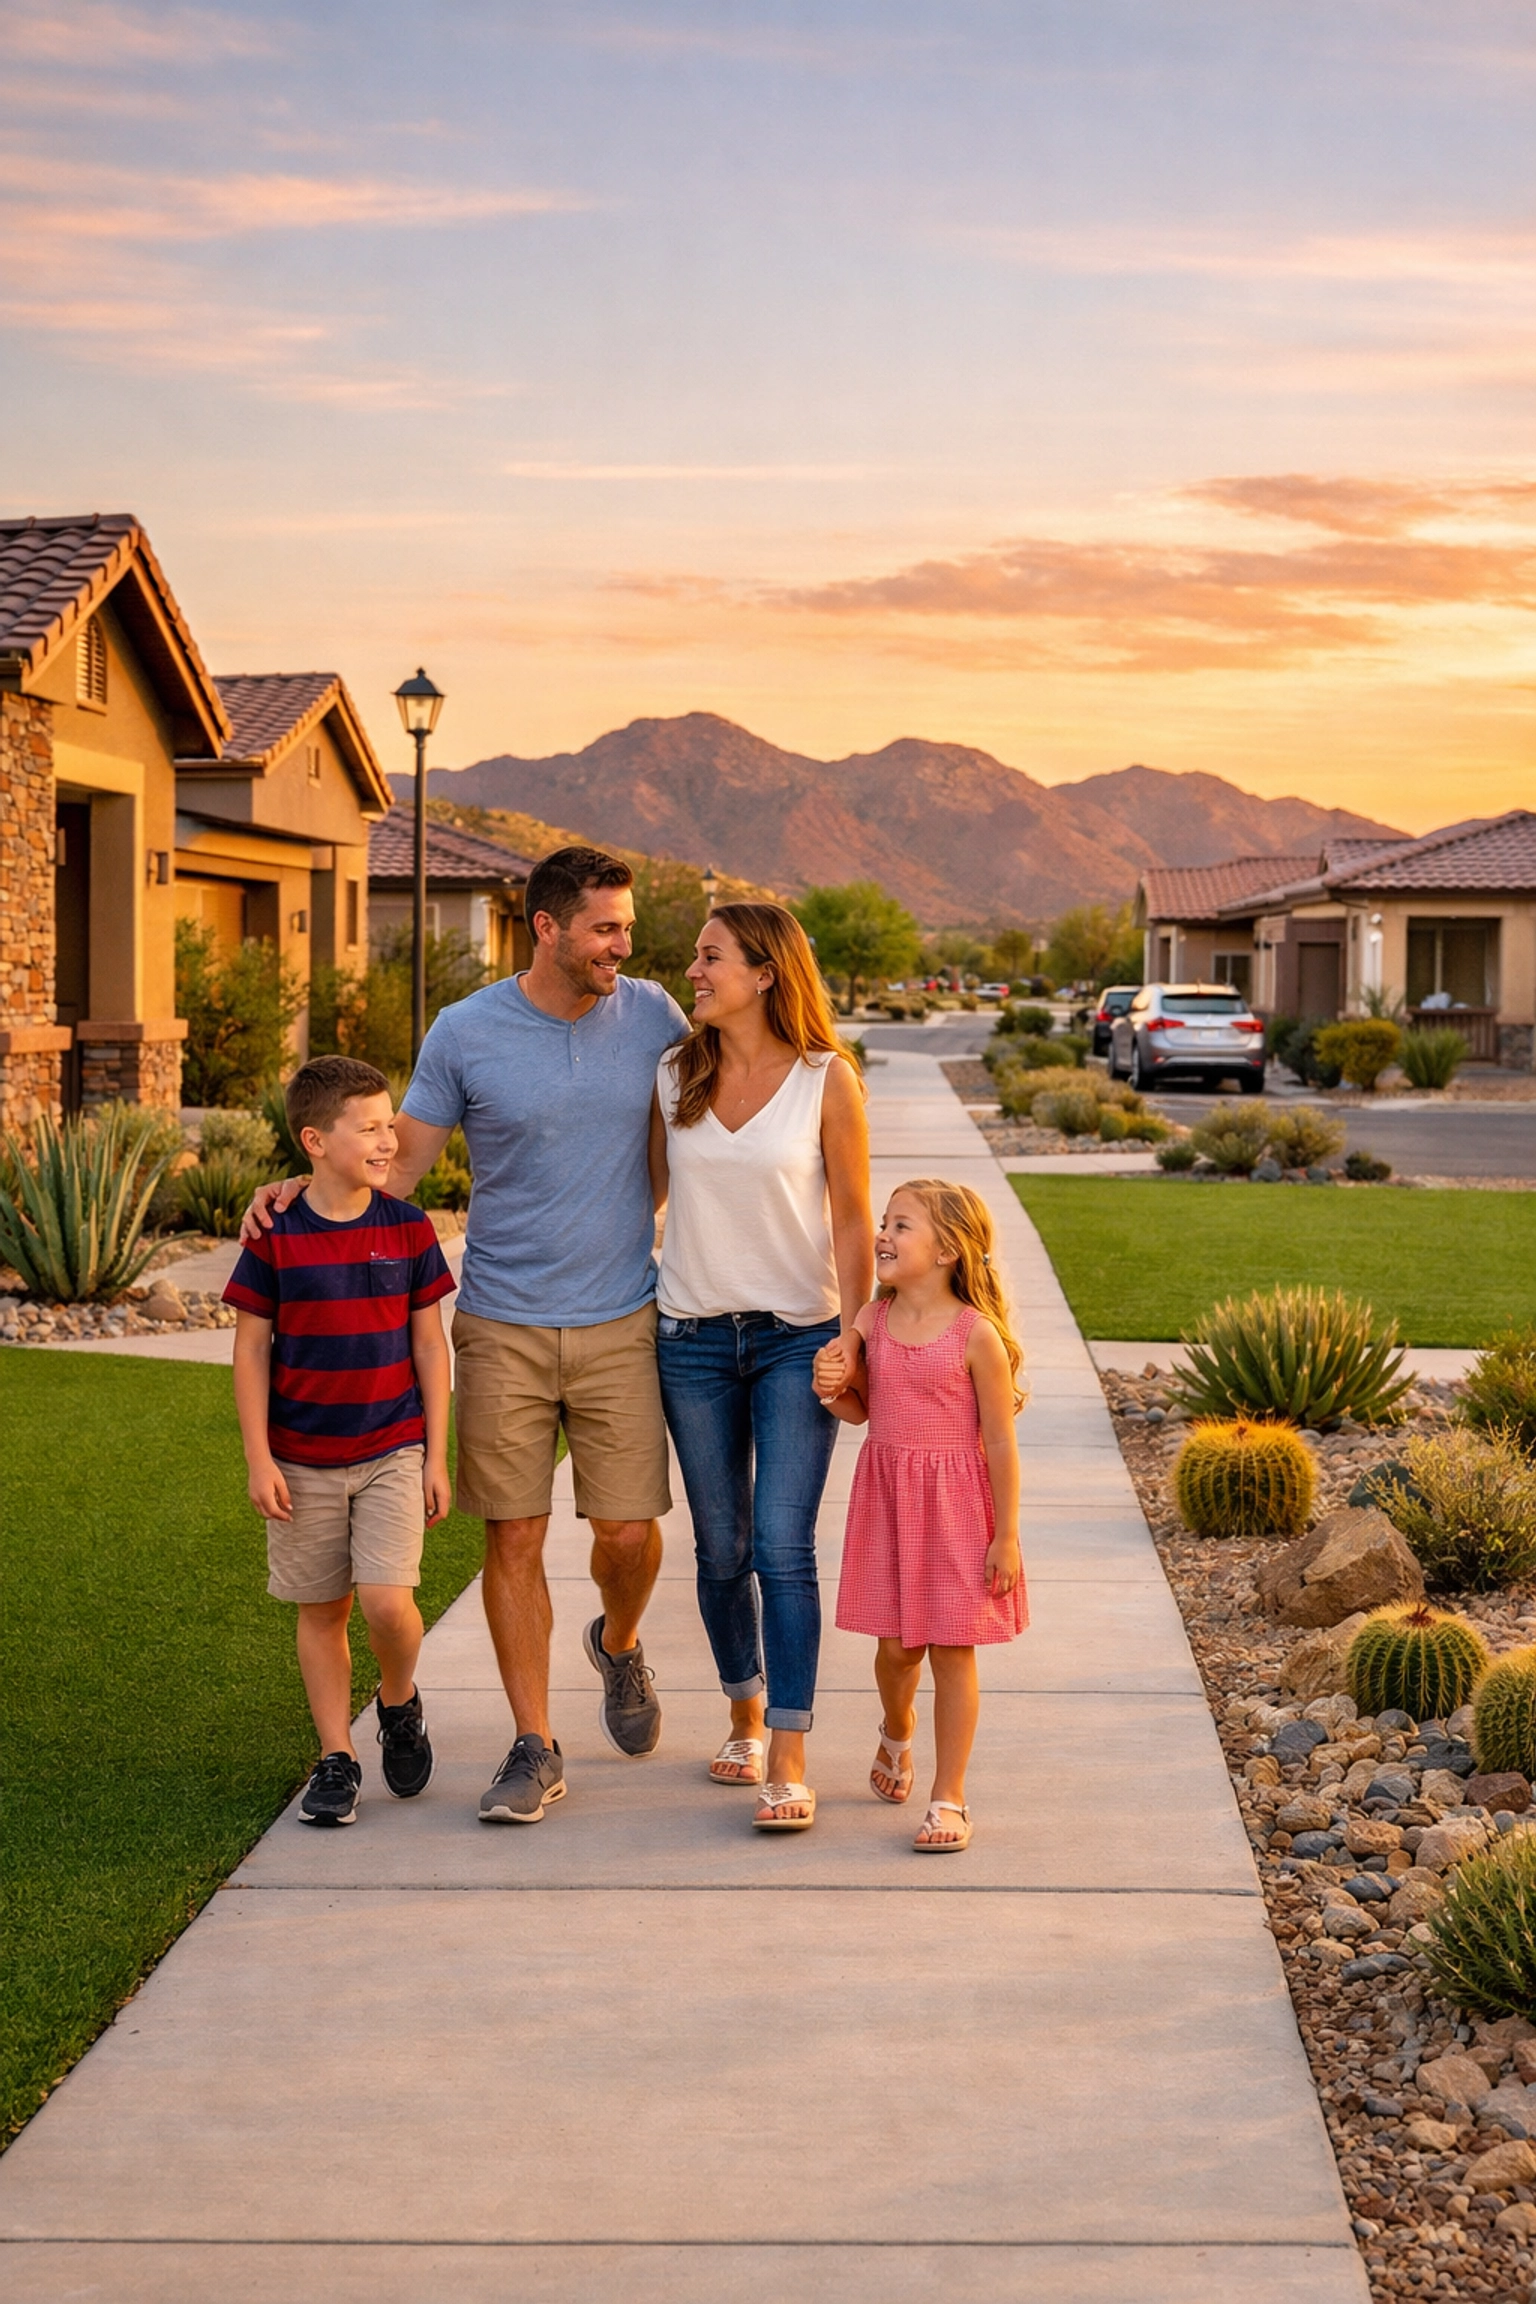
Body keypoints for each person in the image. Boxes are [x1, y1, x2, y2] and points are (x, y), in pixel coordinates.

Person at [241, 848, 688, 1824]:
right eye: (606, 927)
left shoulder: (656, 1015)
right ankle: (535, 1744)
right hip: (499, 1319)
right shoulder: (467, 1031)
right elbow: (393, 1170)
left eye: (627, 925)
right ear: (548, 928)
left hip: (620, 1313)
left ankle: (617, 1641)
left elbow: (717, 1119)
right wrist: (298, 1193)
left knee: (627, 1533)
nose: (624, 943)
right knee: (514, 1535)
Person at [650, 902, 873, 1832]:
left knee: (783, 1546)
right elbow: (640, 1191)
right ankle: (741, 1704)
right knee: (720, 1547)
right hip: (692, 1340)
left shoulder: (827, 1078)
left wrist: (855, 1336)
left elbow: (856, 1220)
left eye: (711, 958)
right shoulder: (674, 1073)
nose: (693, 972)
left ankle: (787, 1747)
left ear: (766, 971)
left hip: (797, 1339)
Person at [226, 1056, 455, 1826]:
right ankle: (336, 1756)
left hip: (392, 1450)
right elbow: (252, 1349)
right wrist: (259, 1459)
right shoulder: (275, 1235)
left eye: (391, 1124)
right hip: (300, 1460)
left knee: (390, 1605)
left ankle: (397, 1701)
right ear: (315, 1140)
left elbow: (431, 1347)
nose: (390, 1140)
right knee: (322, 1610)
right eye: (371, 1127)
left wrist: (436, 1455)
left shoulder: (408, 1227)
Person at [814, 1177, 1026, 1853]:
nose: (883, 1233)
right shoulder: (870, 1322)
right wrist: (831, 1386)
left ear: (947, 1252)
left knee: (953, 1652)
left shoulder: (976, 1335)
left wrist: (1007, 1536)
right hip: (890, 1504)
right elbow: (861, 1406)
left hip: (960, 1511)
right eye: (885, 1221)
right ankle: (895, 1729)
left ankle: (949, 1797)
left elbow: (999, 1440)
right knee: (898, 1649)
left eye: (902, 1225)